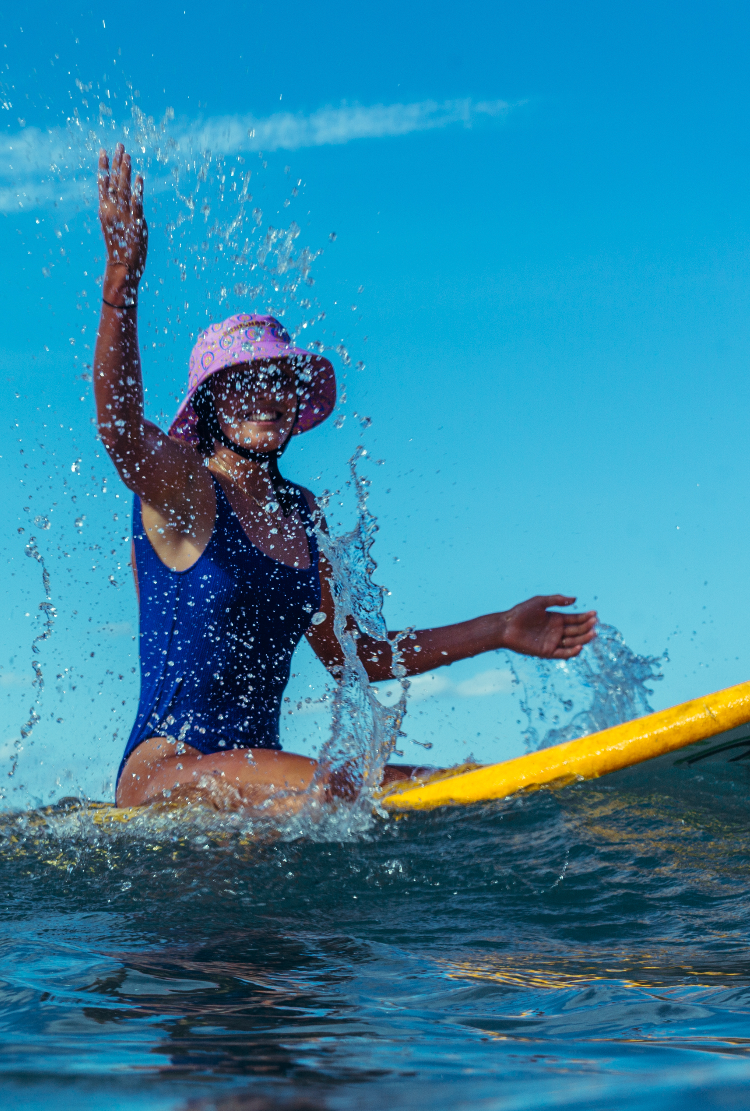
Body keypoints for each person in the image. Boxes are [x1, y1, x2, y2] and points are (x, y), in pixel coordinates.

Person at [95, 143, 598, 810]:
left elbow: (354, 654)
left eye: (280, 380)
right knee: (337, 786)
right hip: (166, 773)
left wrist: (500, 628)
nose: (269, 395)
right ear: (208, 404)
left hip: (267, 781)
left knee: (455, 784)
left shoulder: (303, 514)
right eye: (245, 381)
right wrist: (121, 287)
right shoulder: (183, 489)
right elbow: (120, 430)